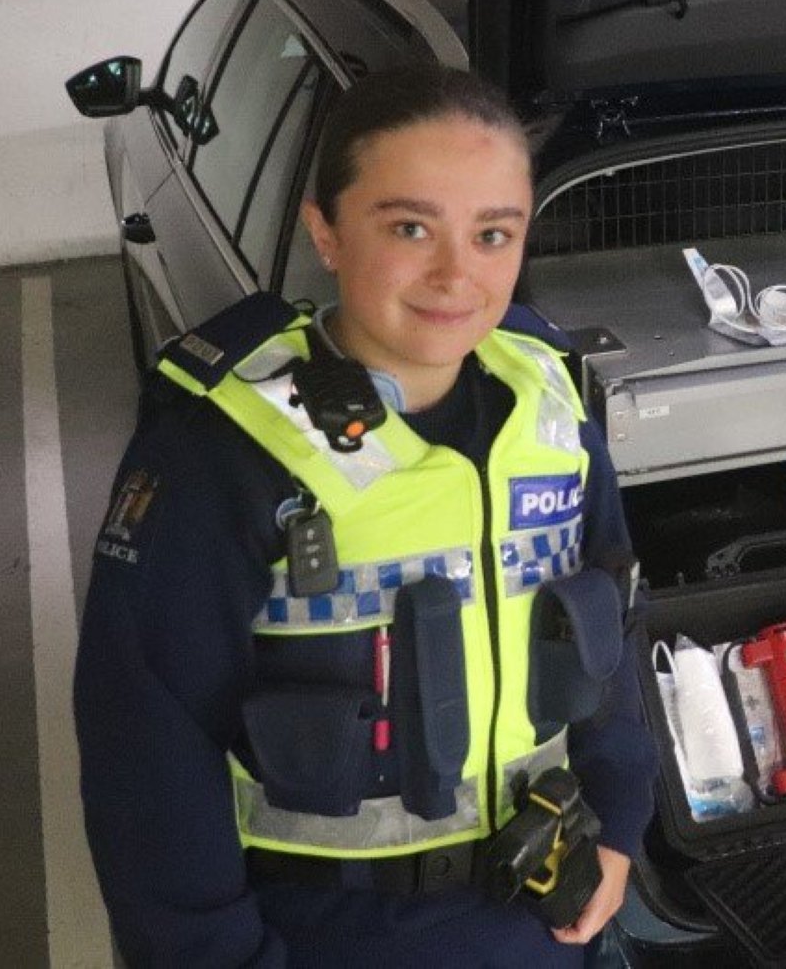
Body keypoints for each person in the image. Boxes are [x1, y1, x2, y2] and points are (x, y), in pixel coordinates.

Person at [75, 64, 657, 967]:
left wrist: (618, 823)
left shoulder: (549, 401)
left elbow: (612, 626)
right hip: (323, 938)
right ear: (328, 232)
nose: (456, 274)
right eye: (410, 227)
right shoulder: (223, 447)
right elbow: (145, 751)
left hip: (540, 914)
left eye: (492, 233)